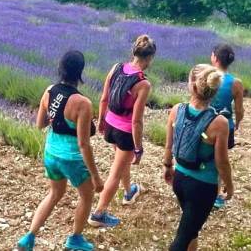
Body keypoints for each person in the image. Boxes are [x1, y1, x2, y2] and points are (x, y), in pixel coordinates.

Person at [17, 51, 103, 251]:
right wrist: (96, 177)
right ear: (80, 72)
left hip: (50, 153)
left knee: (54, 193)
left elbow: (40, 124)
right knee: (87, 195)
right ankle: (75, 239)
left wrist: (56, 116)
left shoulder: (49, 91)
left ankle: (29, 237)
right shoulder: (83, 103)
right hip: (71, 158)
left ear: (60, 67)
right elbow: (84, 144)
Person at [162, 64, 234, 251]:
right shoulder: (219, 123)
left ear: (192, 85)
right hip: (203, 187)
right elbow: (222, 161)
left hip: (179, 179)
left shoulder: (177, 110)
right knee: (182, 239)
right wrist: (229, 184)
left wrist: (168, 166)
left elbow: (169, 144)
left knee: (191, 229)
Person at [89, 35, 156, 228]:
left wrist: (101, 121)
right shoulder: (143, 83)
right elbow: (136, 121)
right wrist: (138, 147)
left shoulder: (116, 67)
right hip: (125, 132)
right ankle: (99, 214)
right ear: (150, 58)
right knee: (114, 174)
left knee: (121, 161)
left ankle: (129, 192)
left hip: (110, 124)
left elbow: (103, 99)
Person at [208, 43, 244, 209]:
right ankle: (216, 196)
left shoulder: (205, 75)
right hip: (225, 126)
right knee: (220, 159)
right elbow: (239, 109)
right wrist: (237, 123)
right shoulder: (235, 83)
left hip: (204, 123)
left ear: (214, 58)